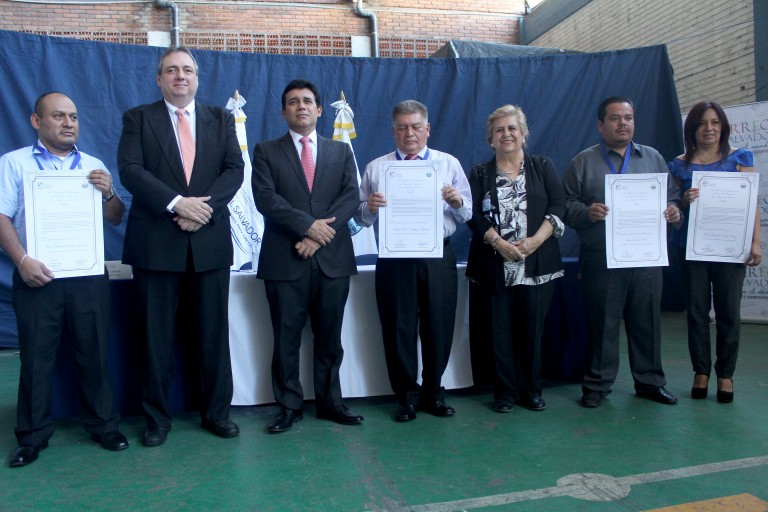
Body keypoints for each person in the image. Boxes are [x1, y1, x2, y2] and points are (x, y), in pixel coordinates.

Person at [118, 47, 244, 446]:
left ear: (197, 78)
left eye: (187, 70)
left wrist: (202, 210)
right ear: (159, 79)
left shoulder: (220, 119)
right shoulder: (138, 118)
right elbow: (130, 170)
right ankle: (157, 420)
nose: (180, 76)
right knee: (155, 339)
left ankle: (216, 413)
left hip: (208, 242)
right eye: (171, 70)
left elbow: (234, 170)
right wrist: (176, 203)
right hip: (156, 244)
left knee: (212, 336)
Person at [0, 92, 128, 467]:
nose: (68, 123)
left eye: (73, 116)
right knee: (36, 359)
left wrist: (109, 192)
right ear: (36, 121)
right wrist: (22, 260)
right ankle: (32, 436)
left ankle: (104, 426)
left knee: (95, 353)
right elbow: (2, 217)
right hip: (37, 276)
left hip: (87, 275)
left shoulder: (93, 165)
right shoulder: (14, 163)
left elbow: (116, 216)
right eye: (58, 116)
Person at [251, 79, 364, 433]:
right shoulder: (266, 151)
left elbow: (350, 197)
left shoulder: (340, 151)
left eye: (307, 101)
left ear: (318, 109)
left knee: (330, 339)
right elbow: (266, 199)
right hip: (284, 261)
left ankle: (331, 403)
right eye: (293, 101)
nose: (301, 106)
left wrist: (317, 237)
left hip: (332, 261)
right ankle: (288, 407)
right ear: (283, 111)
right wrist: (308, 227)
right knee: (286, 340)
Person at [563, 96, 683, 408]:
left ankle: (650, 383)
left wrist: (674, 211)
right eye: (615, 118)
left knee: (647, 323)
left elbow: (673, 197)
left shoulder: (653, 158)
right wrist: (587, 212)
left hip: (646, 257)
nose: (623, 124)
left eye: (628, 117)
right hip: (601, 258)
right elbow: (565, 206)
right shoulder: (583, 162)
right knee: (603, 324)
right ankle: (597, 385)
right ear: (600, 125)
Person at [358, 100, 472, 422]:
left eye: (416, 126)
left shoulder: (447, 164)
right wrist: (370, 207)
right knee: (398, 328)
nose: (409, 133)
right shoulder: (377, 168)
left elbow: (467, 214)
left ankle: (434, 392)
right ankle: (406, 397)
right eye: (402, 127)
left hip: (438, 257)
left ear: (427, 129)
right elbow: (361, 218)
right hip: (395, 259)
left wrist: (457, 201)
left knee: (439, 326)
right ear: (393, 131)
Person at [466, 105, 565, 413]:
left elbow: (558, 205)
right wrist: (498, 243)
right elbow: (472, 215)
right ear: (490, 139)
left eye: (512, 128)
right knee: (499, 332)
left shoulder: (543, 166)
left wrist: (536, 240)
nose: (506, 134)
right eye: (499, 130)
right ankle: (504, 391)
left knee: (531, 331)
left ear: (523, 134)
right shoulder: (480, 173)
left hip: (537, 264)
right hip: (494, 265)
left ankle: (530, 389)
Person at [667, 101, 761, 403]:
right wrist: (683, 200)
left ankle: (725, 375)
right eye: (702, 123)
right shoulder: (679, 164)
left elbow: (751, 203)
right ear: (692, 129)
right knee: (696, 312)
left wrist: (756, 243)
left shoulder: (739, 158)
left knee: (728, 313)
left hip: (731, 250)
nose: (709, 128)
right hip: (691, 248)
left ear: (723, 127)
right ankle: (701, 371)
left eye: (715, 122)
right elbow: (673, 205)